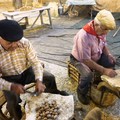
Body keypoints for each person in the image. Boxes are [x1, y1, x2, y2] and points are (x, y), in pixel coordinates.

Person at [0, 19, 68, 120]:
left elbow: (35, 62)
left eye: (16, 41)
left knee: (49, 78)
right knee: (12, 103)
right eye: (9, 43)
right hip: (8, 78)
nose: (14, 45)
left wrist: (39, 80)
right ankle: (17, 117)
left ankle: (53, 98)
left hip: (26, 71)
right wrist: (12, 86)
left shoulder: (24, 43)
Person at [70, 9, 117, 105]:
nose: (106, 33)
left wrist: (108, 55)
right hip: (80, 59)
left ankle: (106, 84)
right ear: (96, 25)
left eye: (108, 30)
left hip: (95, 56)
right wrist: (104, 70)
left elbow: (103, 45)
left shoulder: (101, 30)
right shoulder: (84, 36)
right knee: (87, 75)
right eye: (105, 29)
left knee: (111, 62)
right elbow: (86, 60)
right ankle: (81, 92)